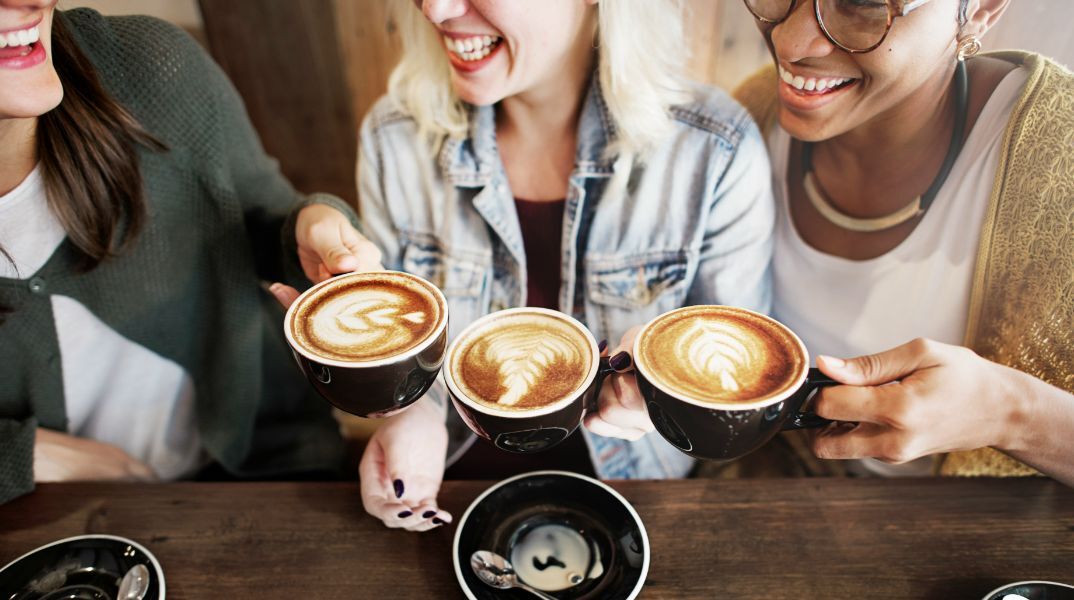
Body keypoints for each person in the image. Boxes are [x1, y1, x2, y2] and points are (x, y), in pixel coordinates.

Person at [269, 0, 774, 531]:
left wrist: (664, 389)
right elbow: (407, 356)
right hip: (454, 488)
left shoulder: (714, 149)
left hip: (638, 502)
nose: (436, 9)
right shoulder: (393, 137)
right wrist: (412, 415)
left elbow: (735, 387)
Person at [0, 1, 375, 504]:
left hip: (271, 468)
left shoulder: (150, 64)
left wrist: (312, 225)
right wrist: (24, 455)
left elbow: (263, 217)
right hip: (49, 517)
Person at [728, 0, 1074, 484]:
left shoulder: (1061, 160)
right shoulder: (748, 118)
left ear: (981, 9)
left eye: (863, 4)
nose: (789, 42)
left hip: (965, 525)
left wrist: (1011, 413)